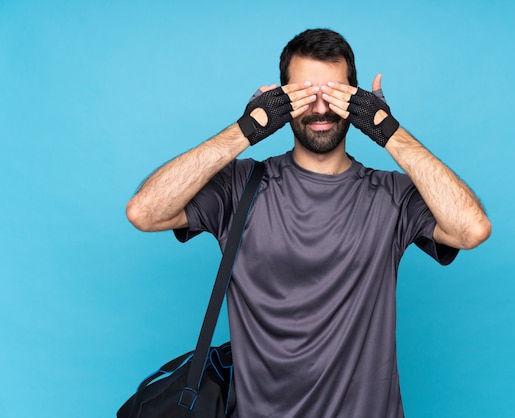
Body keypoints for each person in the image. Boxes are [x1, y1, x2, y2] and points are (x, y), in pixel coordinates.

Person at [126, 28, 491, 418]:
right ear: (281, 99)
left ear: (357, 99)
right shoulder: (239, 186)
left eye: (334, 94)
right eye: (304, 94)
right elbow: (144, 212)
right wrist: (245, 130)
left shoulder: (392, 195)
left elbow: (471, 229)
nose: (320, 108)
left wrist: (388, 131)